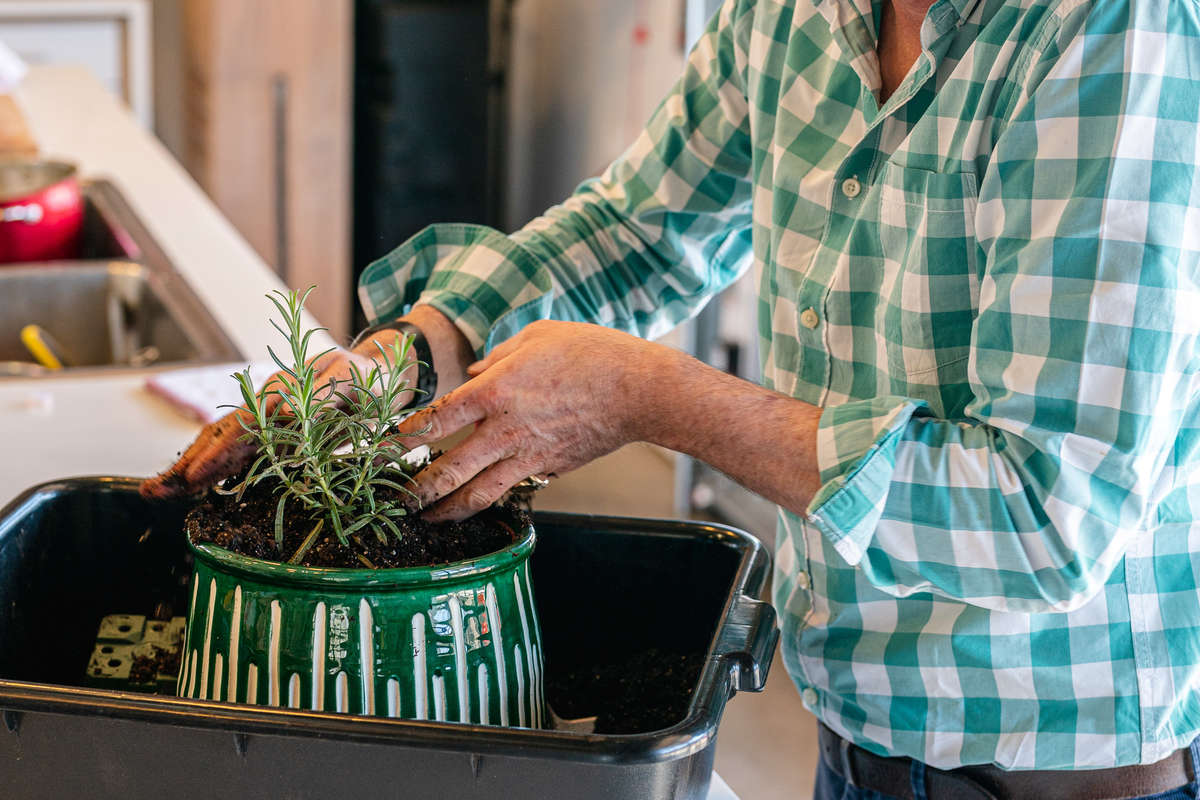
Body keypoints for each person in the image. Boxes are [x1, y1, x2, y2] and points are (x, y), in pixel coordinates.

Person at [143, 0, 1200, 797]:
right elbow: (644, 226)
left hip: (1062, 763)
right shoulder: (805, 13)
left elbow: (1044, 516)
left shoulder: (1112, 35)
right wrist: (419, 348)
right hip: (859, 730)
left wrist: (653, 396)